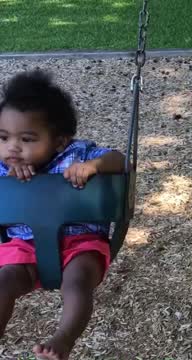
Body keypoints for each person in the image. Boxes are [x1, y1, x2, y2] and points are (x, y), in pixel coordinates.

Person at [0, 70, 125, 360]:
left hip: (80, 244)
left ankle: (63, 339)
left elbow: (120, 159)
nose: (12, 148)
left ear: (59, 141)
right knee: (3, 281)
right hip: (23, 248)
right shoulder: (3, 167)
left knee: (78, 282)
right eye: (3, 137)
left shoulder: (76, 154)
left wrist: (94, 166)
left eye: (27, 139)